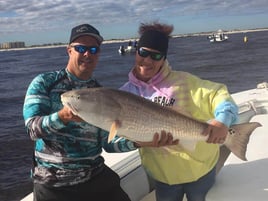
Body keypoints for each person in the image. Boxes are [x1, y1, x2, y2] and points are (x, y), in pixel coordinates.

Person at [23, 23, 177, 201]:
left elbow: (109, 143)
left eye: (94, 49)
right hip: (54, 184)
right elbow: (32, 129)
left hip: (95, 176)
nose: (88, 54)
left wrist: (142, 142)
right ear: (69, 50)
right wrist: (63, 116)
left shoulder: (100, 94)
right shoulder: (45, 82)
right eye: (81, 48)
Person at [120, 21, 238, 201]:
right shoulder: (125, 95)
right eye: (143, 52)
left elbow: (218, 94)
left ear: (163, 58)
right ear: (136, 51)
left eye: (156, 55)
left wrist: (223, 121)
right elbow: (112, 138)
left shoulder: (184, 82)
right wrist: (140, 143)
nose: (148, 60)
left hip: (201, 169)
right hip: (164, 177)